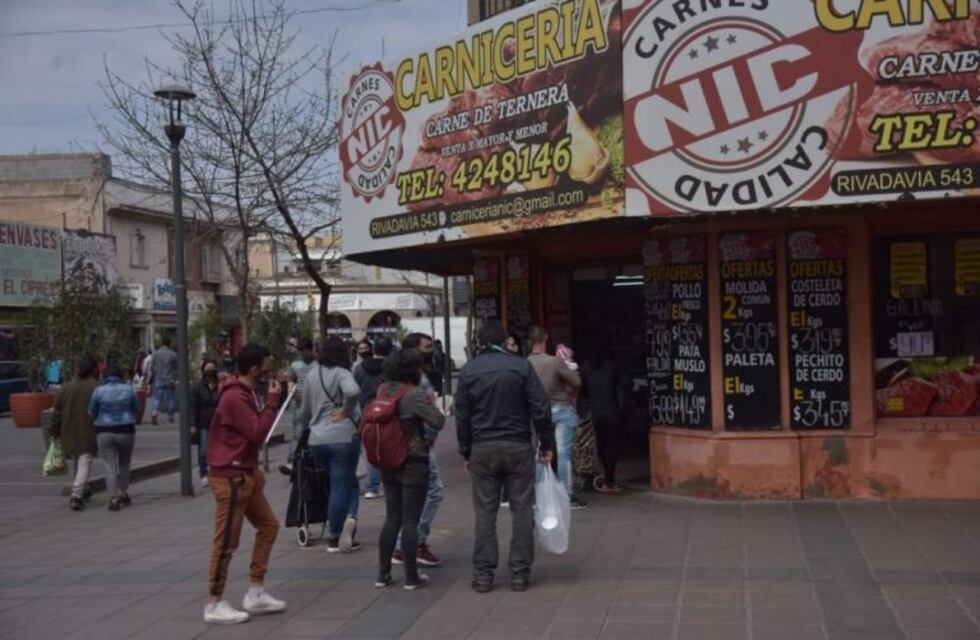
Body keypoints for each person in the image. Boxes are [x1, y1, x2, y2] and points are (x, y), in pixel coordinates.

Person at [456, 321, 554, 593]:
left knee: (485, 513)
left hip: (483, 449)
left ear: (479, 342)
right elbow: (541, 408)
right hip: (518, 445)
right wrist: (546, 443)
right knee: (522, 509)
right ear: (505, 340)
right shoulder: (521, 366)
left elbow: (462, 416)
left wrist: (466, 450)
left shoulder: (469, 370)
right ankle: (520, 573)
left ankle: (484, 574)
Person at [204, 343, 286, 625]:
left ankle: (255, 590)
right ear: (254, 369)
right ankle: (214, 603)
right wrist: (274, 399)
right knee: (226, 542)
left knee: (269, 526)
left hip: (244, 472)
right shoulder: (235, 398)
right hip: (231, 476)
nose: (270, 371)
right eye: (267, 366)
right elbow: (258, 432)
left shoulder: (245, 392)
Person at [375, 348, 446, 591]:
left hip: (388, 460)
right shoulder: (414, 393)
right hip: (413, 460)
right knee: (410, 521)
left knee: (392, 517)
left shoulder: (383, 390)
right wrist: (432, 404)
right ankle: (412, 576)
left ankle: (382, 574)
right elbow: (438, 420)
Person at [299, 336, 362, 554]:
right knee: (341, 483)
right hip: (343, 437)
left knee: (344, 482)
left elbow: (304, 411)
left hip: (317, 439)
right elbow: (353, 391)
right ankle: (336, 535)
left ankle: (349, 520)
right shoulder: (342, 372)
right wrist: (346, 410)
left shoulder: (310, 376)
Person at [392, 332, 443, 568]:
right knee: (434, 491)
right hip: (417, 443)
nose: (430, 350)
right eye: (426, 346)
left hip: (398, 445)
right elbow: (435, 417)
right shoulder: (417, 380)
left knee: (403, 500)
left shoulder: (392, 379)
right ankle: (413, 544)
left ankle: (402, 546)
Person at [527, 326, 586, 509]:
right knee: (563, 454)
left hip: (539, 412)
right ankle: (566, 496)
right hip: (560, 409)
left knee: (541, 452)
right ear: (545, 338)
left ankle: (539, 496)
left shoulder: (526, 362)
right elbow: (577, 381)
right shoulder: (554, 362)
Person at [88, 363, 139, 511]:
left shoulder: (98, 391)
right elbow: (136, 409)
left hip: (104, 430)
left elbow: (91, 411)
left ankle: (113, 497)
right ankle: (123, 492)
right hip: (126, 429)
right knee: (124, 463)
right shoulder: (129, 389)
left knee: (109, 465)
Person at [51, 356, 100, 511]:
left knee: (78, 461)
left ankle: (84, 490)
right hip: (89, 430)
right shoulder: (97, 387)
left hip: (68, 432)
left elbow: (56, 414)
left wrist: (54, 432)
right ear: (94, 370)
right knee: (85, 460)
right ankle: (76, 495)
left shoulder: (65, 388)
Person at [581, 345, 627, 493]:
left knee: (601, 445)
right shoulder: (612, 366)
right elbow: (627, 383)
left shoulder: (586, 367)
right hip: (612, 411)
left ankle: (604, 476)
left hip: (595, 412)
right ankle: (609, 479)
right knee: (612, 446)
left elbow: (582, 389)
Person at [354, 335, 394, 499]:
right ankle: (383, 484)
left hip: (366, 412)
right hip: (387, 412)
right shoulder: (391, 367)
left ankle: (372, 485)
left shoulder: (359, 368)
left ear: (373, 349)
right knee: (389, 447)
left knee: (371, 449)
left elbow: (354, 390)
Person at [280, 339, 316, 476]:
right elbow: (291, 380)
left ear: (311, 349)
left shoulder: (318, 364)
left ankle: (312, 459)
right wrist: (291, 389)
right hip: (299, 402)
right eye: (302, 351)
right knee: (298, 432)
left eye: (306, 350)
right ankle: (292, 461)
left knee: (314, 431)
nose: (304, 354)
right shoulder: (295, 365)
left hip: (315, 402)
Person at [192, 359, 221, 488]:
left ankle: (216, 471)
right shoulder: (197, 387)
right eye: (207, 369)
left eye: (212, 368)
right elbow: (193, 406)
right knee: (203, 449)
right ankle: (203, 474)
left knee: (217, 448)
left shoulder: (220, 385)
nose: (210, 371)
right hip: (203, 422)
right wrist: (192, 424)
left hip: (218, 421)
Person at [148, 337, 178, 425]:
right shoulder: (173, 354)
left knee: (156, 398)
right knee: (170, 398)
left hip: (158, 378)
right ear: (169, 343)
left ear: (162, 343)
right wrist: (175, 378)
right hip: (169, 378)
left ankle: (154, 412)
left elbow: (151, 367)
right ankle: (170, 417)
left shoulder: (155, 354)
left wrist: (149, 378)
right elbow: (176, 368)